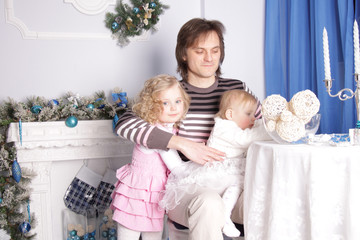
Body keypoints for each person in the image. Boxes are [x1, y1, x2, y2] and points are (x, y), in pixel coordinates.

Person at [114, 18, 261, 240]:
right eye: (200, 51)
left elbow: (263, 126)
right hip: (187, 189)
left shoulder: (236, 88)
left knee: (270, 196)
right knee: (210, 202)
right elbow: (124, 123)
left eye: (215, 50)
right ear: (183, 53)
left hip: (233, 183)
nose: (209, 58)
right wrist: (181, 144)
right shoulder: (172, 93)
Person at [159, 90, 271, 238]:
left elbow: (257, 124)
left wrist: (268, 122)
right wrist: (272, 129)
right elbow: (247, 138)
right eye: (249, 114)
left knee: (250, 190)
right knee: (213, 200)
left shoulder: (238, 118)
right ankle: (224, 217)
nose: (253, 118)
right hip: (214, 176)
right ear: (230, 115)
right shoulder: (223, 128)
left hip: (232, 174)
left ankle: (225, 215)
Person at [110, 74, 190, 240]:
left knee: (154, 236)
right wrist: (199, 172)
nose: (174, 108)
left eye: (178, 101)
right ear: (151, 107)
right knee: (128, 235)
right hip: (137, 196)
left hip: (154, 197)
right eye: (165, 103)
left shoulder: (169, 129)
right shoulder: (155, 134)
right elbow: (177, 168)